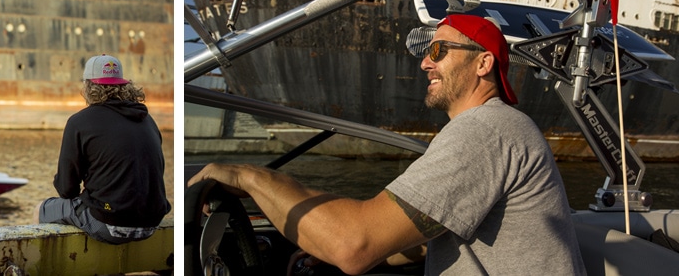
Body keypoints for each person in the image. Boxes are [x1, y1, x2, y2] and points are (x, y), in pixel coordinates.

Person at [188, 14, 585, 275]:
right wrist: (326, 247)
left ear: (482, 64)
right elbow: (426, 240)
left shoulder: (486, 131)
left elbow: (353, 245)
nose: (424, 63)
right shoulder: (499, 128)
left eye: (439, 51)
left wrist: (248, 176)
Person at [34, 54, 171, 245]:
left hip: (111, 224)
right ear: (124, 85)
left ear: (88, 86)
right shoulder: (147, 119)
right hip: (152, 223)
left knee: (41, 208)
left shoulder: (79, 122)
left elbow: (67, 190)